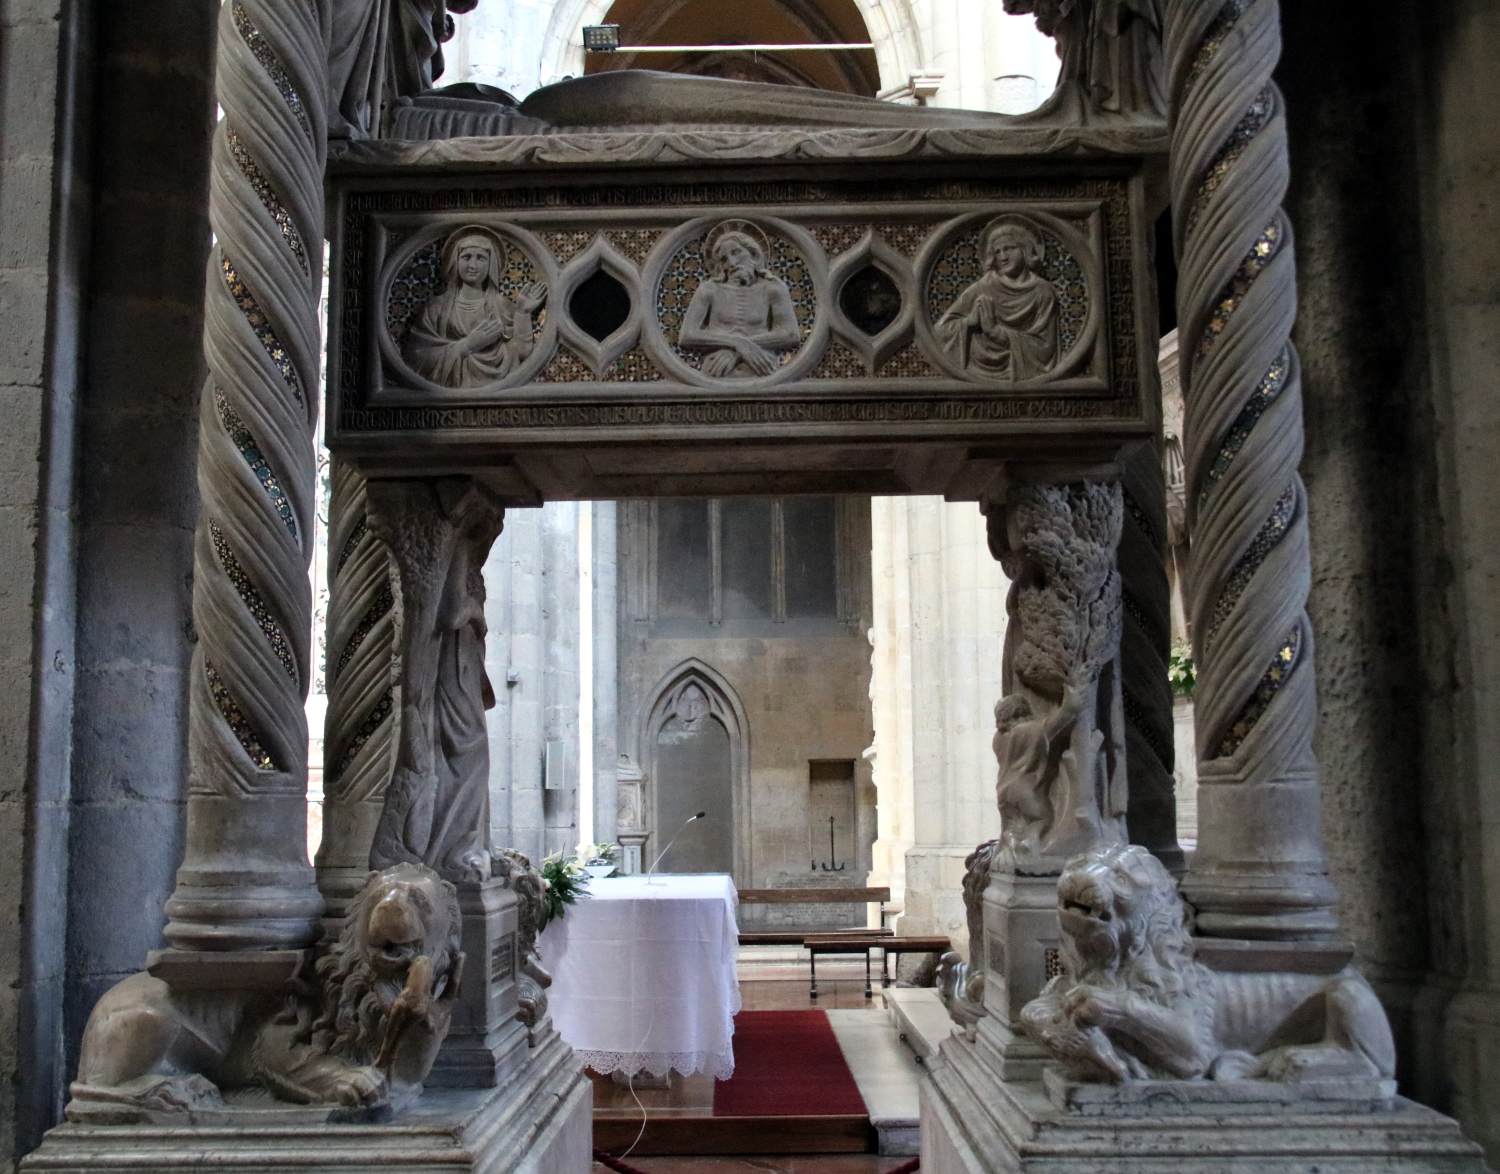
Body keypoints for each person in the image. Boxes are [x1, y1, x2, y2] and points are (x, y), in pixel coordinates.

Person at [404, 227, 546, 387]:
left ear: (491, 264)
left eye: (480, 258)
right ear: (455, 261)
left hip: (499, 389)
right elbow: (417, 358)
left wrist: (523, 313)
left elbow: (521, 353)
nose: (472, 264)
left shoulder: (502, 306)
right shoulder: (436, 308)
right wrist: (467, 345)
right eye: (466, 257)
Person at [935, 219, 1060, 380]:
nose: (1003, 257)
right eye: (997, 252)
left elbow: (1045, 347)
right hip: (979, 370)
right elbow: (939, 332)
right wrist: (969, 322)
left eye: (1009, 248)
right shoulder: (983, 287)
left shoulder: (1043, 291)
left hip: (1022, 371)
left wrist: (998, 333)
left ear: (1025, 250)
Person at [678, 223, 800, 377]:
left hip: (763, 369)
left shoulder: (773, 288)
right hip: (717, 371)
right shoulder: (710, 289)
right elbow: (687, 336)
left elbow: (790, 334)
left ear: (753, 254)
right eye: (723, 260)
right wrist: (736, 342)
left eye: (736, 252)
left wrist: (739, 350)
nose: (732, 263)